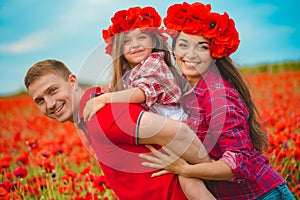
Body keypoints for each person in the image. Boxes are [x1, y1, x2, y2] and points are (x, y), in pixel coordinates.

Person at [140, 2, 295, 200]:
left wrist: (185, 169)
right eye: (184, 45)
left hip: (262, 194)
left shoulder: (219, 97)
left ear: (214, 55)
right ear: (174, 50)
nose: (190, 54)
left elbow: (238, 163)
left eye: (202, 47)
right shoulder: (189, 91)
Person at [24, 59, 214, 199]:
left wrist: (211, 173)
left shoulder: (103, 115)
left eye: (53, 91)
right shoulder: (89, 118)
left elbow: (180, 133)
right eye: (40, 100)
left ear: (72, 82)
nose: (49, 104)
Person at [83, 6, 187, 122]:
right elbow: (114, 92)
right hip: (155, 127)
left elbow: (142, 92)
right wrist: (96, 98)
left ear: (153, 41)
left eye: (141, 37)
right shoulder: (127, 73)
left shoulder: (155, 62)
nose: (135, 45)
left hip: (177, 126)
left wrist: (105, 99)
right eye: (127, 41)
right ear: (119, 49)